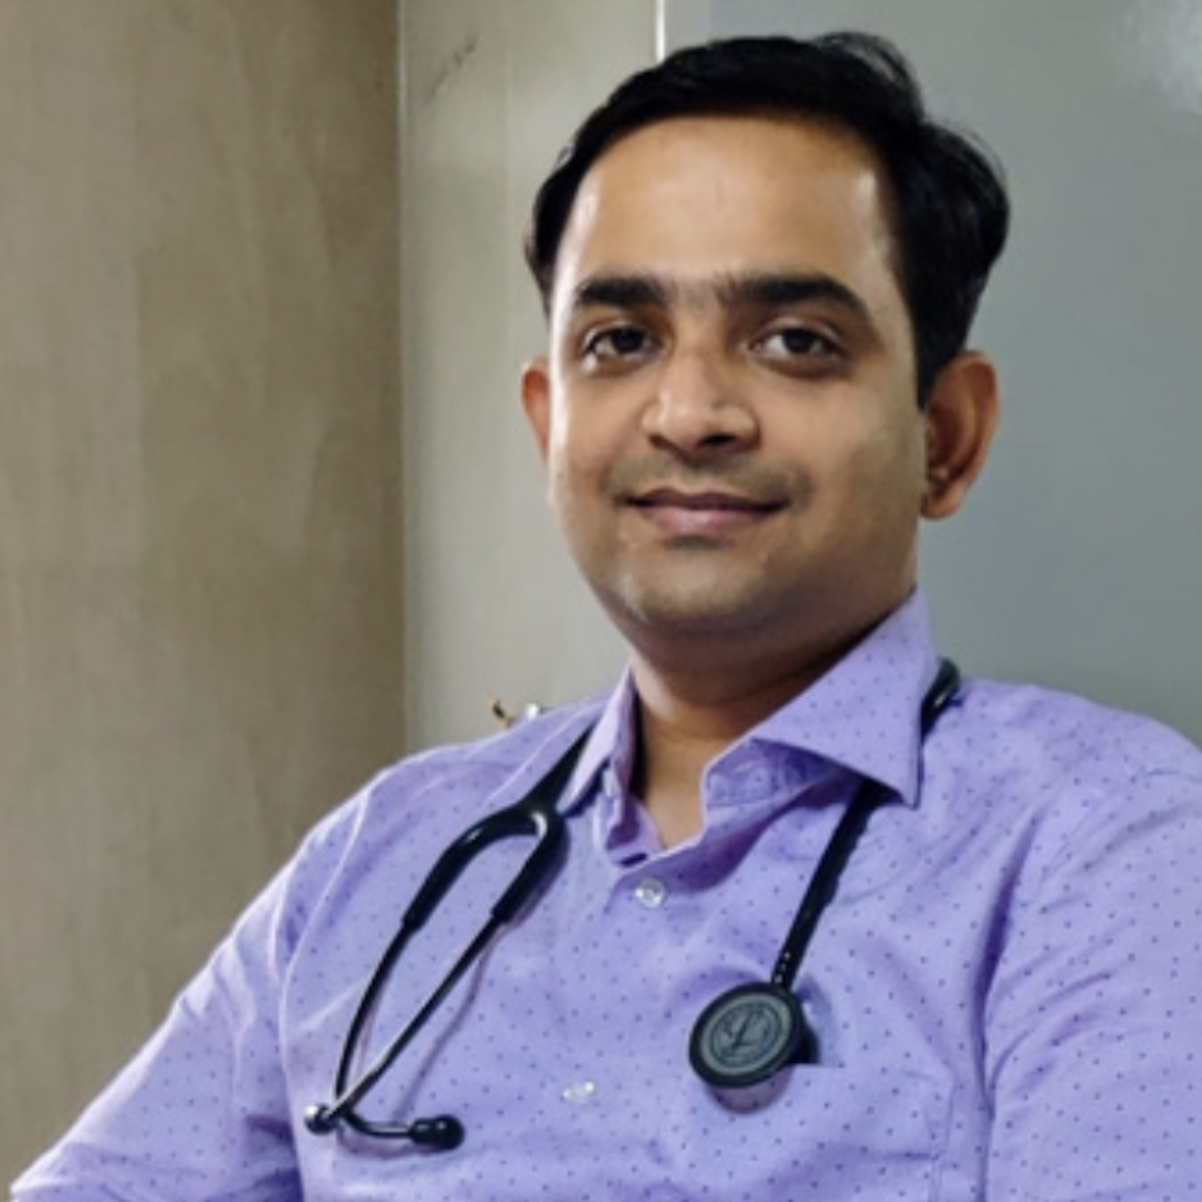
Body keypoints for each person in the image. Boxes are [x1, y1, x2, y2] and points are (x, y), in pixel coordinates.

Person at [13, 31, 1202, 1202]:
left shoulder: (1104, 846)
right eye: (620, 341)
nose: (687, 412)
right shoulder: (382, 857)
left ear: (943, 436)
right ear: (549, 425)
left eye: (794, 341)